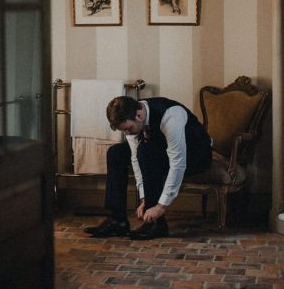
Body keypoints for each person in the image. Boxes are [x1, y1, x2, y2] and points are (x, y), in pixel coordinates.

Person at [84, 96, 212, 240]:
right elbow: (135, 158)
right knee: (116, 153)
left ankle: (157, 224)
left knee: (146, 151)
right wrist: (144, 198)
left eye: (129, 129)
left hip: (197, 155)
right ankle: (117, 220)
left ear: (139, 115)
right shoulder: (132, 112)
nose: (128, 134)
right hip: (163, 151)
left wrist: (160, 207)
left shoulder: (171, 116)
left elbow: (178, 163)